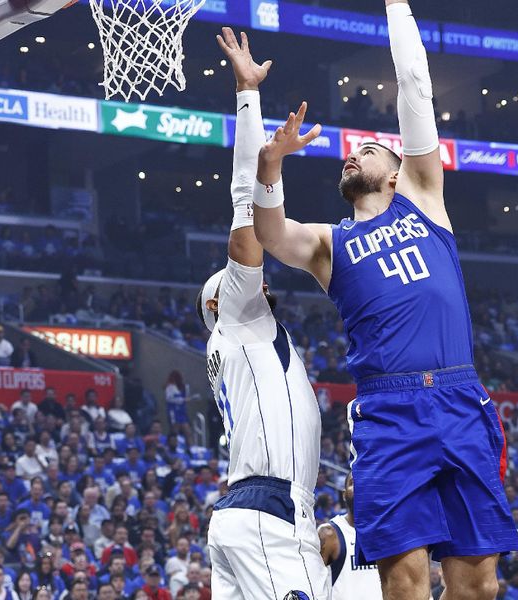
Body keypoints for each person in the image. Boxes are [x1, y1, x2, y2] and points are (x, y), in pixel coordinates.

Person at [251, 2, 518, 598]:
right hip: (389, 413)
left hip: (458, 396)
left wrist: (396, 3)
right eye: (350, 153)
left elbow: (415, 84)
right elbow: (270, 235)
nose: (354, 154)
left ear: (398, 171)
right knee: (403, 581)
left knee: (480, 586)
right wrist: (269, 164)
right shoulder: (330, 242)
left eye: (369, 150)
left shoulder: (423, 199)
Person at [197, 28, 328, 600]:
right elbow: (244, 205)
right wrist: (246, 98)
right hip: (267, 511)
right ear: (218, 300)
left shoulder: (245, 332)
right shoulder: (238, 316)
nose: (261, 277)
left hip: (249, 510)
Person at [318, 472, 382, 600]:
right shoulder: (329, 533)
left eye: (363, 482)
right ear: (344, 495)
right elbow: (314, 586)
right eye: (353, 483)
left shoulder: (386, 532)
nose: (359, 486)